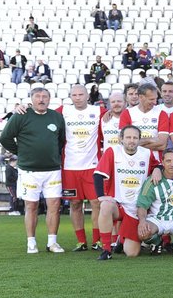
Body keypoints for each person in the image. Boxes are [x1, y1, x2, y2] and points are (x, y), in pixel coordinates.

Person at [0, 88, 67, 254]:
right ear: (31, 99)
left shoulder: (56, 117)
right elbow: (4, 138)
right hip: (29, 170)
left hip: (52, 170)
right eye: (38, 96)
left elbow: (61, 140)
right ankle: (31, 242)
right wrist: (21, 152)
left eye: (45, 97)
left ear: (50, 99)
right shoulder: (20, 115)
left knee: (54, 206)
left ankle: (52, 242)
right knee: (31, 206)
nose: (41, 100)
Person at [93, 126, 161, 259]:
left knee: (132, 253)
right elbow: (98, 175)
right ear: (121, 139)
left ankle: (121, 239)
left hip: (137, 209)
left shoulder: (146, 153)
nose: (132, 141)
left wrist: (157, 168)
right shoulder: (113, 151)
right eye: (128, 137)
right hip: (119, 205)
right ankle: (106, 249)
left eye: (135, 138)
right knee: (105, 206)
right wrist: (101, 196)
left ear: (139, 140)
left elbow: (158, 165)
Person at [54, 85, 105, 251]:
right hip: (70, 167)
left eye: (81, 94)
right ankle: (81, 241)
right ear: (70, 96)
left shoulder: (99, 111)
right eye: (74, 95)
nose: (77, 97)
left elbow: (119, 116)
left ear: (87, 95)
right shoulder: (63, 111)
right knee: (75, 204)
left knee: (96, 203)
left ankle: (97, 240)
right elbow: (42, 115)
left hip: (92, 166)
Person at [119, 83, 170, 153]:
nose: (155, 102)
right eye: (151, 99)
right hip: (133, 159)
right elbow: (123, 141)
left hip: (156, 160)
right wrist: (150, 140)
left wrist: (135, 144)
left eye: (156, 99)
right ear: (141, 97)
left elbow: (163, 144)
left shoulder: (162, 114)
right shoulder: (127, 113)